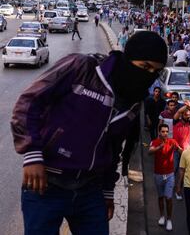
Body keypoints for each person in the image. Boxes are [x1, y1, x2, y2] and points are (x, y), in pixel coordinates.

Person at [12, 31, 167, 234]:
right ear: (128, 58)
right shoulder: (81, 67)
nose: (148, 75)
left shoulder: (135, 101)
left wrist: (107, 190)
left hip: (90, 190)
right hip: (46, 185)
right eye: (144, 66)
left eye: (155, 71)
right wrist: (32, 154)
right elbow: (29, 102)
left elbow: (113, 148)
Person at [148, 124, 182, 231]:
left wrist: (179, 149)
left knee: (169, 198)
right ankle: (162, 216)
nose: (165, 133)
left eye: (167, 131)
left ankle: (169, 219)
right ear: (159, 132)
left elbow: (181, 150)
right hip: (158, 175)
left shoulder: (172, 141)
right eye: (163, 131)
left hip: (170, 175)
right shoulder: (155, 142)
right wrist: (159, 147)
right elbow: (149, 151)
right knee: (160, 197)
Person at [173, 100, 190, 200]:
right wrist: (187, 106)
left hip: (185, 152)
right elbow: (178, 111)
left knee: (181, 172)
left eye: (189, 115)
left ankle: (178, 191)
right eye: (186, 115)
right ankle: (172, 186)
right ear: (182, 115)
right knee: (173, 170)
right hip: (175, 150)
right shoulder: (176, 121)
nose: (188, 116)